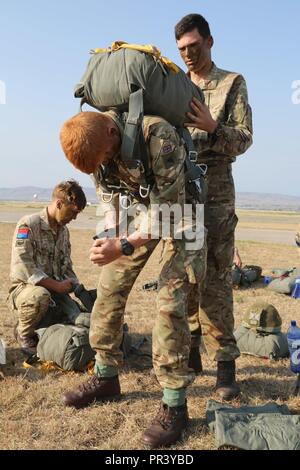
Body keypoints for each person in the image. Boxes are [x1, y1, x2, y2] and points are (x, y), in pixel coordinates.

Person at [59, 110, 206, 448]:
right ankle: (106, 376)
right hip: (142, 214)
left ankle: (174, 404)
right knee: (109, 289)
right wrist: (108, 238)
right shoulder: (96, 149)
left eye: (106, 156)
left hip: (185, 215)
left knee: (170, 302)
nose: (105, 163)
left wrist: (124, 244)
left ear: (113, 132)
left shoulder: (158, 135)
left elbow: (171, 209)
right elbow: (110, 198)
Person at [175, 13, 253, 400]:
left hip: (217, 188)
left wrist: (212, 128)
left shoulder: (231, 83)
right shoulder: (174, 85)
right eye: (182, 49)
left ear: (209, 42)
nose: (188, 54)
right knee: (186, 274)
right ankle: (190, 351)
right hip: (181, 192)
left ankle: (225, 365)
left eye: (193, 46)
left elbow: (243, 140)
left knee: (218, 278)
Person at [7, 180, 87, 355]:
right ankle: (24, 333)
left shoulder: (64, 232)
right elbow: (24, 266)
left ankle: (42, 327)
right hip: (27, 290)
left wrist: (75, 285)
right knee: (40, 296)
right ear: (59, 204)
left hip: (55, 292)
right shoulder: (29, 225)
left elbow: (67, 265)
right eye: (73, 211)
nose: (74, 218)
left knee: (80, 318)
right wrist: (56, 286)